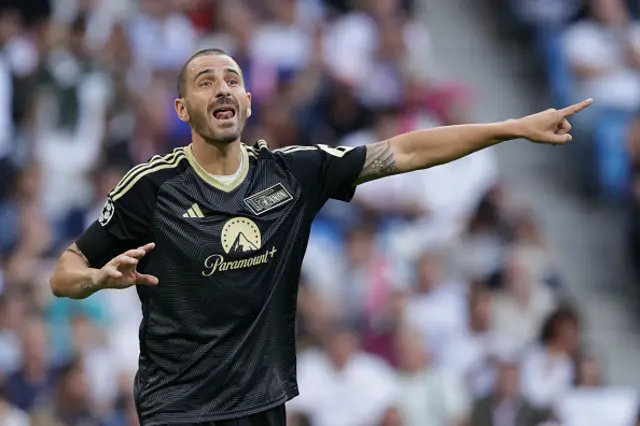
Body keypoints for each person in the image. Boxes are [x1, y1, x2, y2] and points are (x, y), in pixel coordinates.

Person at [48, 47, 593, 426]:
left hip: (259, 403)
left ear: (248, 102)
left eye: (232, 79)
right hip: (176, 405)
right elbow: (63, 273)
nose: (222, 88)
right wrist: (94, 278)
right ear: (182, 108)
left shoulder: (293, 172)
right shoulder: (153, 185)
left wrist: (510, 128)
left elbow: (404, 151)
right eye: (206, 81)